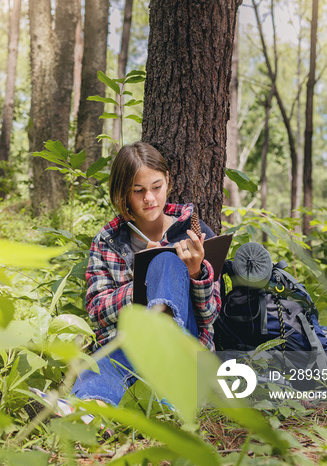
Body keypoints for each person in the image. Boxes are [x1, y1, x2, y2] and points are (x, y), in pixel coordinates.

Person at [70, 141, 222, 408]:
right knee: (100, 367)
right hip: (129, 345)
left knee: (165, 260)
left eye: (156, 187)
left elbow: (210, 316)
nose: (149, 198)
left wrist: (195, 272)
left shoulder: (195, 233)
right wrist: (143, 282)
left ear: (168, 183)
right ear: (123, 194)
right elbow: (97, 311)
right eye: (138, 191)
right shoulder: (108, 241)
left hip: (184, 345)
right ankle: (87, 411)